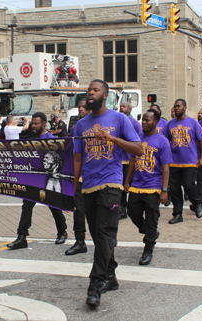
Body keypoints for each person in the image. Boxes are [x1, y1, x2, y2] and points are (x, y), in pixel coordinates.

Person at [72, 79, 142, 308]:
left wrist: (111, 138)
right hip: (88, 186)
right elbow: (77, 159)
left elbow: (138, 149)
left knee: (104, 233)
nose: (90, 93)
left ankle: (95, 286)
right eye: (89, 90)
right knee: (99, 235)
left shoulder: (119, 119)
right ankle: (110, 275)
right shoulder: (80, 125)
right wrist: (74, 188)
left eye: (95, 90)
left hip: (111, 184)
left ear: (105, 95)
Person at [7, 112, 68, 250]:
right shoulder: (31, 138)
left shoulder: (51, 139)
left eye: (36, 124)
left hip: (47, 180)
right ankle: (22, 236)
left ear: (44, 124)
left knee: (54, 206)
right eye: (32, 123)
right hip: (33, 180)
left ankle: (62, 231)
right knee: (27, 206)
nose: (33, 126)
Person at [124, 109, 171, 265]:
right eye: (143, 120)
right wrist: (127, 180)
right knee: (132, 211)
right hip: (137, 184)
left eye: (147, 120)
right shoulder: (137, 139)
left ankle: (148, 249)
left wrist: (164, 190)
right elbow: (132, 160)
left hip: (153, 186)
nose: (143, 122)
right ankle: (149, 231)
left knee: (152, 218)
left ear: (155, 123)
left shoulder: (163, 141)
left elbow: (165, 168)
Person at [165, 99, 202, 223]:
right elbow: (166, 141)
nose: (176, 108)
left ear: (185, 107)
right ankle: (177, 214)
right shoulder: (170, 124)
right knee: (175, 189)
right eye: (175, 106)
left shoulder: (193, 123)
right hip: (174, 161)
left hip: (189, 161)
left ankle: (197, 204)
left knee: (189, 185)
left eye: (179, 106)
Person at [65, 98, 90, 256]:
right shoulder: (76, 127)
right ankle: (80, 241)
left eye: (84, 107)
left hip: (96, 175)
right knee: (78, 211)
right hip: (80, 176)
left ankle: (108, 238)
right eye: (79, 107)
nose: (80, 109)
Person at [118, 102, 143, 219]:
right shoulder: (117, 122)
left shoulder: (135, 124)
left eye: (124, 106)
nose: (121, 108)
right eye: (121, 106)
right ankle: (121, 209)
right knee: (119, 185)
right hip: (118, 159)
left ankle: (129, 207)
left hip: (129, 160)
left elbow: (138, 141)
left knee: (127, 185)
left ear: (129, 109)